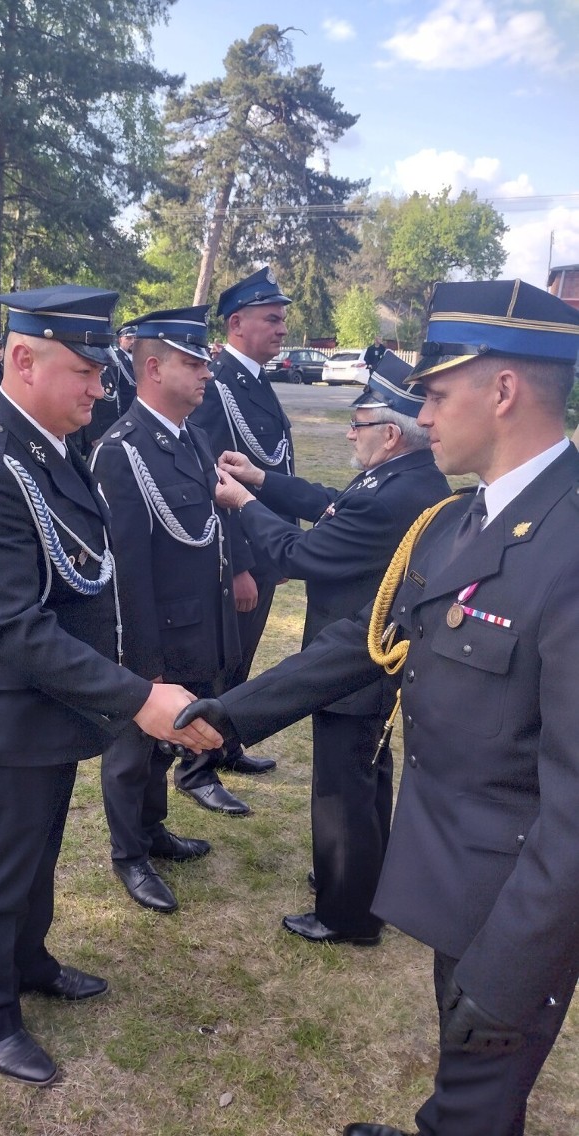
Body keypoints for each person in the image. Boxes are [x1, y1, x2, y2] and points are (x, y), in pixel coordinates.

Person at [176, 279, 579, 1136]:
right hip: (455, 872)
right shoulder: (453, 521)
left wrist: (515, 967)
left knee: (484, 1068)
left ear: (502, 390)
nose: (422, 415)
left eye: (436, 394)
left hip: (517, 901)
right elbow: (361, 641)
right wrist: (232, 713)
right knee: (464, 1064)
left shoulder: (570, 546)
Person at [0, 285, 223, 1087]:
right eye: (86, 372)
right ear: (23, 361)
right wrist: (134, 695)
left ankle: (28, 961)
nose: (101, 388)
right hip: (1, 714)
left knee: (36, 854)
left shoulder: (45, 443)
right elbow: (10, 626)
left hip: (48, 711)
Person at [215, 352, 450, 944]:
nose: (349, 431)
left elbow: (301, 556)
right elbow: (331, 503)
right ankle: (363, 886)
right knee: (366, 774)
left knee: (343, 785)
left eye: (360, 423)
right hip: (375, 655)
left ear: (391, 434)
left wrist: (243, 506)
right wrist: (264, 481)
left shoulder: (394, 493)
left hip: (356, 660)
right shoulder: (403, 478)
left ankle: (345, 917)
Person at [89, 306, 240, 913]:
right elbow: (126, 571)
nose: (206, 371)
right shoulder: (120, 452)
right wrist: (141, 665)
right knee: (131, 748)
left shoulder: (192, 437)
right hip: (149, 635)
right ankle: (129, 854)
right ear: (151, 367)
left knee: (161, 742)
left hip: (192, 623)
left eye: (205, 360)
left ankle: (152, 832)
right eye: (191, 361)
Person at [177, 265, 295, 813]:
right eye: (271, 319)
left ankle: (226, 744)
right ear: (237, 323)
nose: (281, 329)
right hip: (238, 552)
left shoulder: (252, 379)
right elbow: (212, 480)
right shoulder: (217, 384)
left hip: (265, 544)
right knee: (218, 659)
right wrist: (240, 565)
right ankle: (196, 766)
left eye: (282, 319)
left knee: (242, 656)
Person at [69, 322, 137, 459]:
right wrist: (94, 434)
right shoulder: (115, 363)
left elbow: (115, 395)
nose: (133, 341)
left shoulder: (111, 366)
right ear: (120, 340)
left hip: (111, 427)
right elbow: (95, 404)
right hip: (98, 430)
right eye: (128, 338)